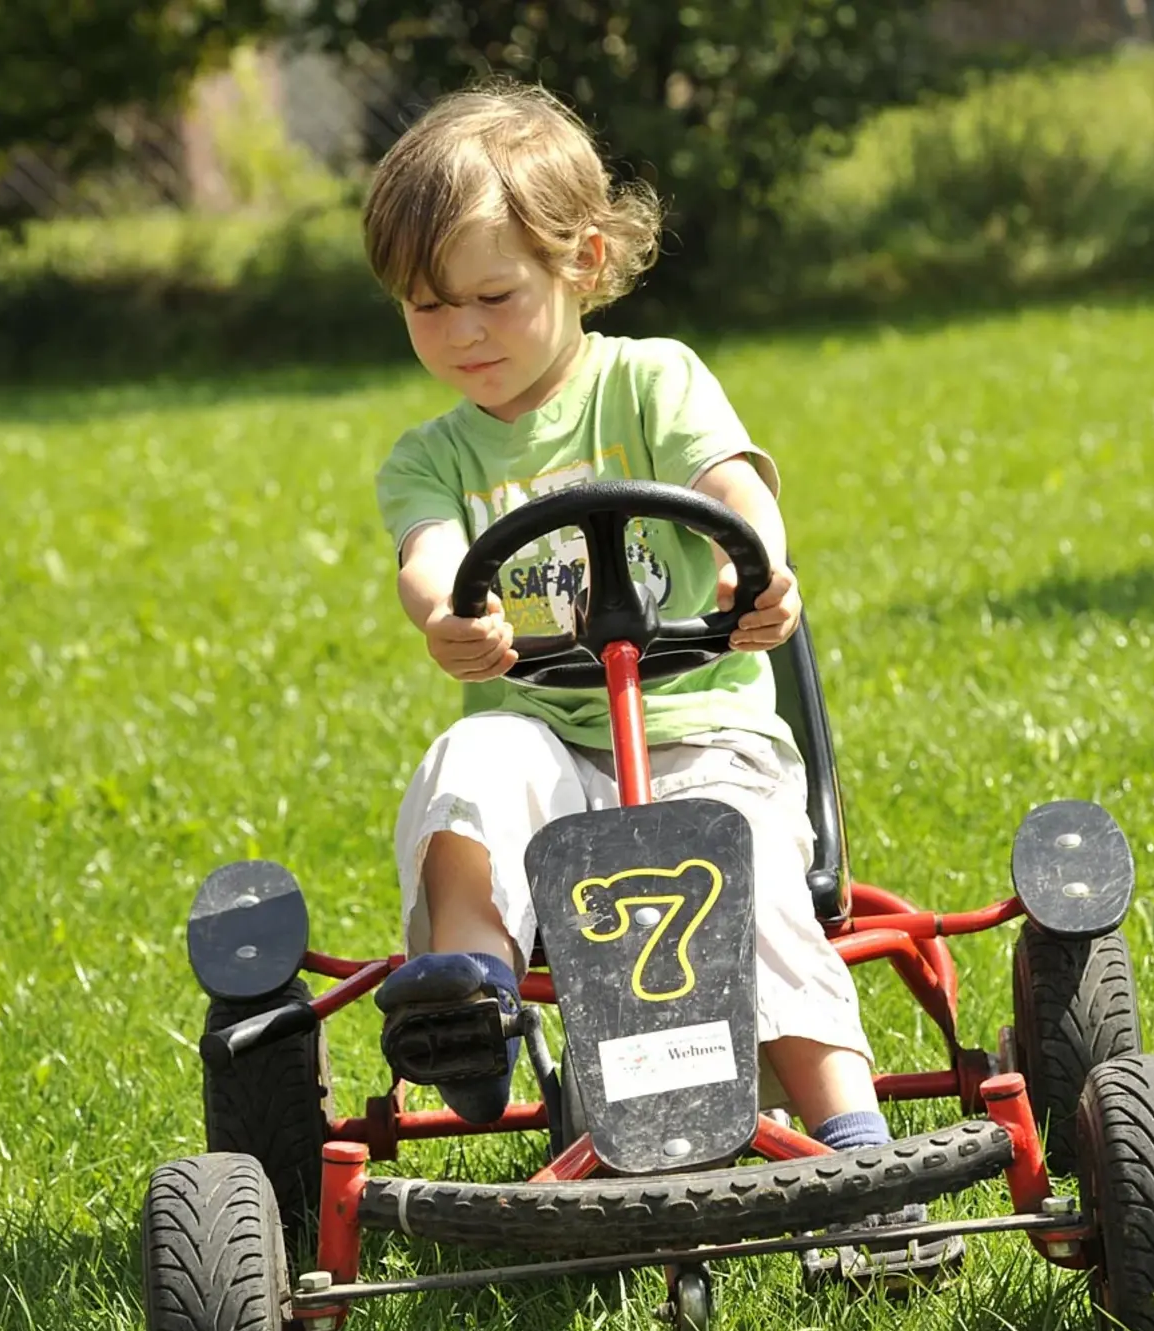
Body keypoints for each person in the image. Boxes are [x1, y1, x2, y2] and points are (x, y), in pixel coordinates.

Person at [361, 81, 892, 1156]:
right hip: (547, 746)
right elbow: (430, 556)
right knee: (472, 756)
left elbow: (734, 484)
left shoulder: (653, 384)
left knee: (739, 871)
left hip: (704, 739)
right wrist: (442, 614)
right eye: (428, 306)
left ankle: (855, 1143)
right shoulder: (433, 457)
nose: (461, 332)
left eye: (493, 296)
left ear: (585, 264)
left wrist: (761, 567)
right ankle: (468, 998)